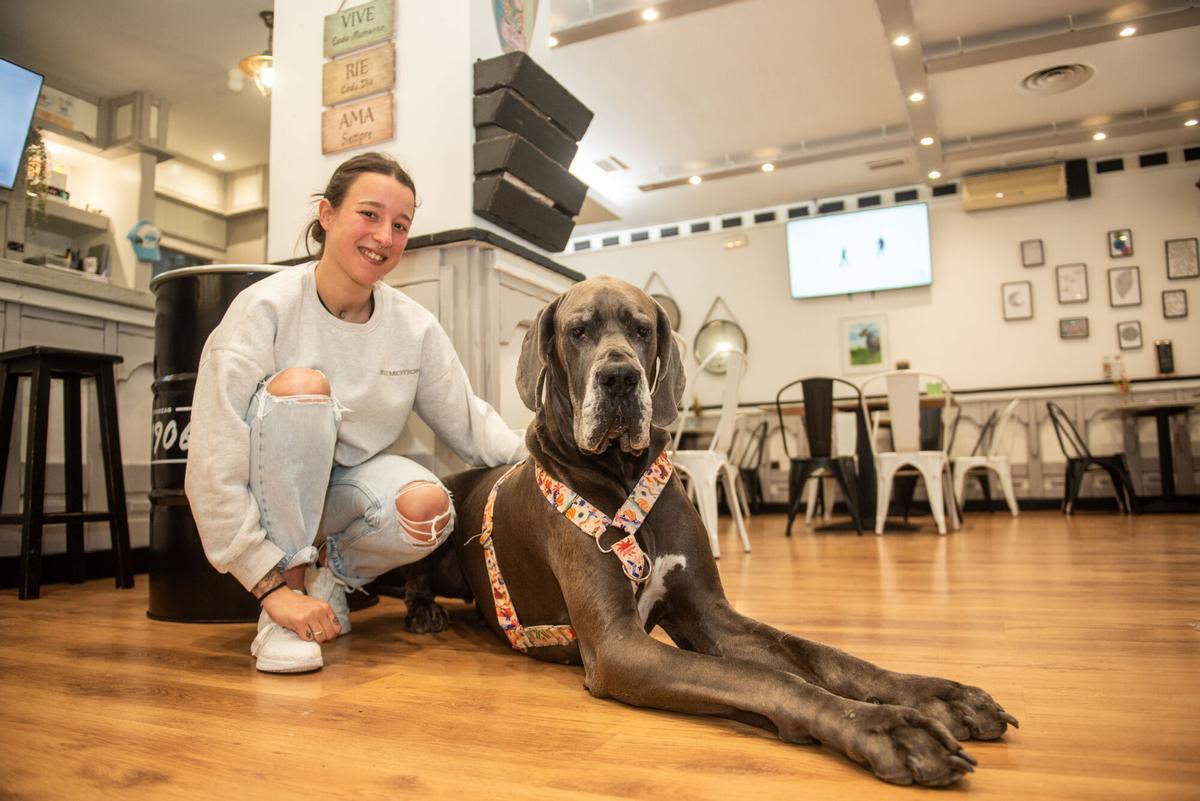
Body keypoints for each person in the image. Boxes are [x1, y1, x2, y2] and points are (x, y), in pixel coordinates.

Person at [184, 152, 525, 674]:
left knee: (430, 506)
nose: (384, 236)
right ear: (326, 215)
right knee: (303, 388)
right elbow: (211, 461)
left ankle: (329, 581)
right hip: (268, 490)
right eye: (369, 214)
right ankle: (283, 613)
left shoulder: (414, 328)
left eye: (400, 225)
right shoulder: (264, 308)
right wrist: (269, 585)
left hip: (339, 494)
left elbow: (470, 423)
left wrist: (549, 463)